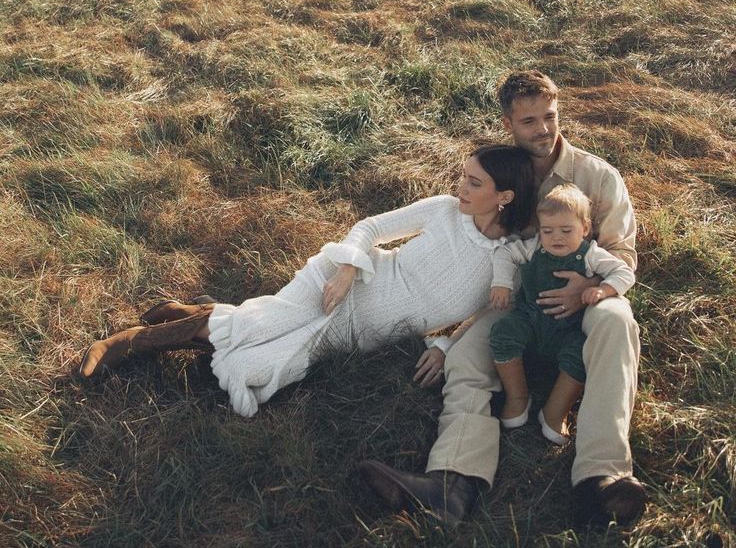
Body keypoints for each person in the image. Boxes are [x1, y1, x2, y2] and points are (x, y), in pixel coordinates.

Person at [359, 70, 646, 528]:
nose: (543, 129)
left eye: (549, 116)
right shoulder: (500, 175)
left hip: (588, 293)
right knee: (467, 360)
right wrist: (451, 338)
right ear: (509, 123)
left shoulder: (596, 176)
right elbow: (478, 260)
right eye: (529, 120)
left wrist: (585, 288)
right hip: (520, 302)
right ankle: (452, 486)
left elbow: (623, 252)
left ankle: (602, 479)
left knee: (619, 322)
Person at [78, 145, 536, 422]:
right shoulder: (442, 209)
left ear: (505, 197)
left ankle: (191, 314)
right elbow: (371, 227)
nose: (460, 187)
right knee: (261, 327)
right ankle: (134, 341)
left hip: (363, 333)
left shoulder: (506, 261)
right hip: (346, 284)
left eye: (474, 183)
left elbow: (487, 316)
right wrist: (348, 268)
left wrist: (443, 346)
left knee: (259, 371)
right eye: (462, 176)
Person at [489, 183, 635, 445]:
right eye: (548, 231)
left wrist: (602, 290)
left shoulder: (591, 254)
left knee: (581, 353)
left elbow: (624, 272)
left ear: (585, 229)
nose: (556, 237)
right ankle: (518, 396)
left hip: (567, 329)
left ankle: (556, 411)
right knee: (502, 332)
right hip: (530, 319)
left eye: (566, 230)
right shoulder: (534, 247)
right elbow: (504, 253)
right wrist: (502, 283)